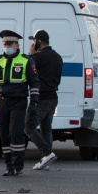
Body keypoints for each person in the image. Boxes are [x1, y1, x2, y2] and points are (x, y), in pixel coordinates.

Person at [0, 30, 39, 176]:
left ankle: (18, 166)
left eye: (10, 44)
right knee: (4, 135)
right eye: (5, 43)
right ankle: (8, 165)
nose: (7, 46)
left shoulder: (27, 61)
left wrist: (33, 103)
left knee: (16, 134)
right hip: (1, 102)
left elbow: (34, 83)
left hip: (18, 102)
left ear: (17, 45)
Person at [25, 29, 63, 171]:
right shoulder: (58, 57)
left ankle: (47, 153)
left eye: (34, 41)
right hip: (53, 97)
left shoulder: (38, 57)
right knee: (46, 128)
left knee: (28, 127)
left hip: (41, 97)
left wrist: (31, 54)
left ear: (38, 42)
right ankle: (46, 160)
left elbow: (28, 67)